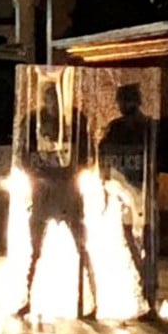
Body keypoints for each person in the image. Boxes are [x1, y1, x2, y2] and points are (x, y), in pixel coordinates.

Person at [15, 81, 97, 319]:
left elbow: (87, 155)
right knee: (35, 250)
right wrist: (39, 177)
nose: (53, 104)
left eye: (57, 98)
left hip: (67, 191)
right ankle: (27, 298)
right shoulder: (32, 122)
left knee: (82, 247)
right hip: (43, 192)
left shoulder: (75, 121)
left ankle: (91, 299)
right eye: (50, 98)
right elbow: (22, 157)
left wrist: (69, 174)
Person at [98, 83, 154, 307]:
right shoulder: (117, 127)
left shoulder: (147, 127)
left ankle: (147, 280)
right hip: (126, 190)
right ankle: (144, 277)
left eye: (125, 101)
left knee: (145, 236)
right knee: (130, 234)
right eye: (121, 101)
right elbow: (103, 154)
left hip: (143, 189)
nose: (122, 106)